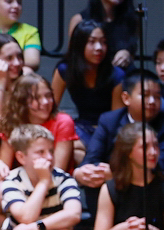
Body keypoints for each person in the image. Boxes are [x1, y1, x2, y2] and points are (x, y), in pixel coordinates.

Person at [53, 17, 125, 147]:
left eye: (103, 42)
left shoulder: (116, 75)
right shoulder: (65, 69)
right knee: (71, 147)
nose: (99, 48)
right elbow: (51, 107)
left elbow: (116, 121)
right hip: (81, 127)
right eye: (92, 42)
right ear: (80, 45)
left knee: (76, 149)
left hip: (106, 131)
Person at [80, 0, 141, 69]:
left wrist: (127, 55)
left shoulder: (132, 20)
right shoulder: (81, 19)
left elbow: (132, 52)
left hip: (122, 73)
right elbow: (74, 56)